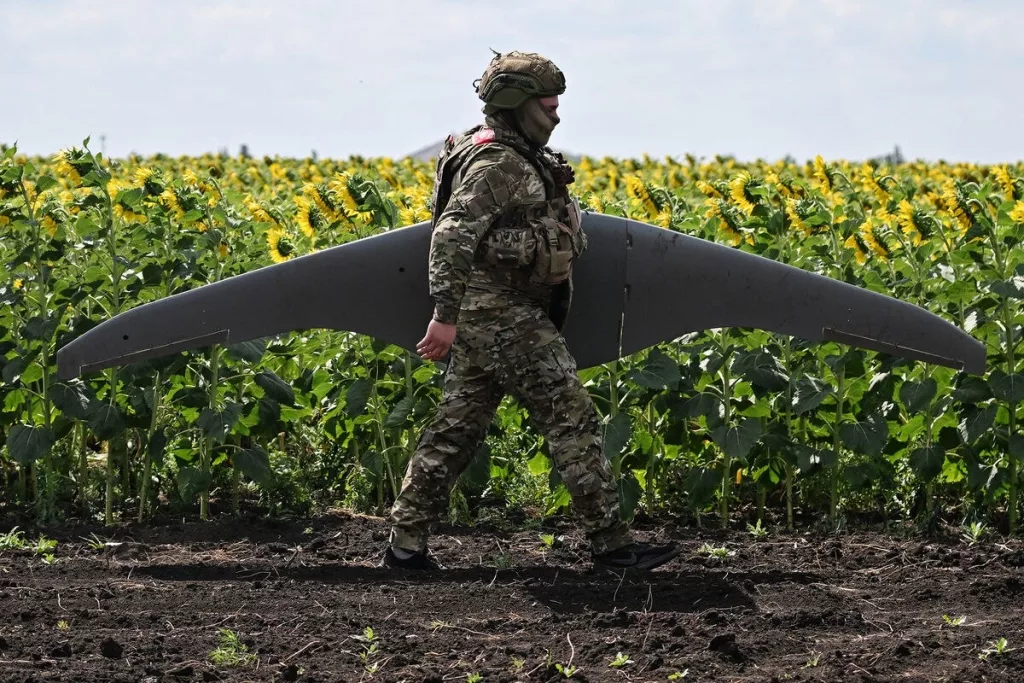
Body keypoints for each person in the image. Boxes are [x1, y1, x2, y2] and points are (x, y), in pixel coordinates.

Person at [382, 51, 679, 571]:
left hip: (488, 313)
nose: (556, 114)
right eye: (548, 105)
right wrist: (443, 316)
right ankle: (611, 546)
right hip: (503, 314)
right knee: (572, 416)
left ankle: (405, 547)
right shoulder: (500, 163)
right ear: (518, 106)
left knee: (457, 428)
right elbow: (451, 234)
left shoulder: (485, 147)